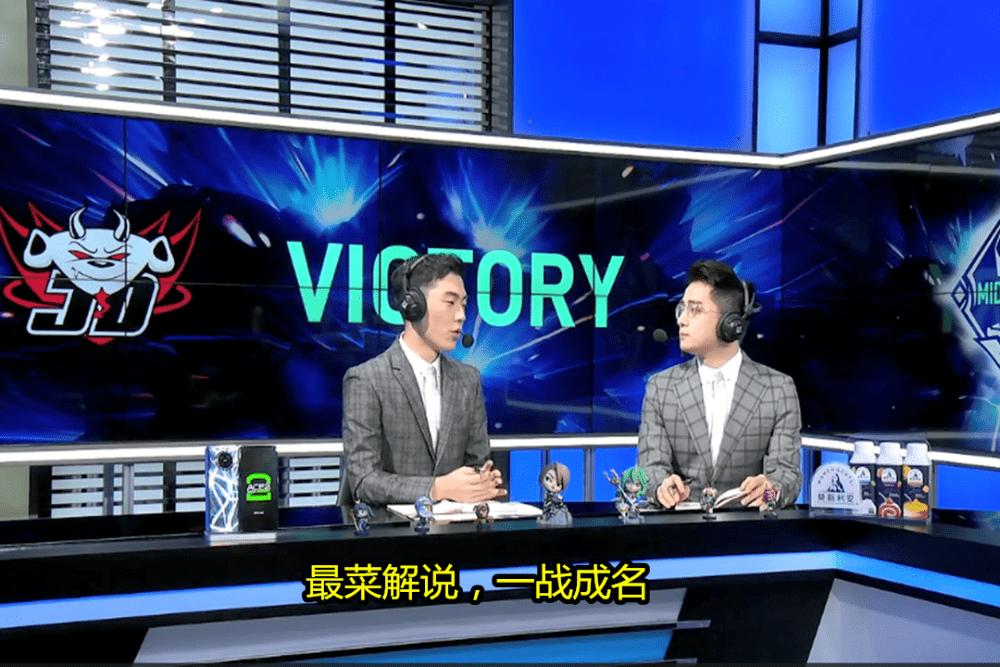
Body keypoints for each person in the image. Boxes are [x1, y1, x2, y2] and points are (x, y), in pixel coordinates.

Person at [339, 253, 505, 514]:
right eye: (450, 302)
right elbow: (364, 481)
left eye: (463, 304)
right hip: (393, 532)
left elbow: (477, 461)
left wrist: (480, 481)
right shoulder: (366, 379)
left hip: (456, 531)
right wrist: (437, 488)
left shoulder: (468, 379)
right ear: (413, 306)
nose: (461, 315)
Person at [638, 259, 802, 510]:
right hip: (679, 528)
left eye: (695, 310)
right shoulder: (661, 388)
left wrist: (769, 491)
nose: (682, 320)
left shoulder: (778, 389)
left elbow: (787, 476)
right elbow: (649, 469)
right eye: (682, 308)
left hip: (749, 528)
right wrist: (661, 487)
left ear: (730, 324)